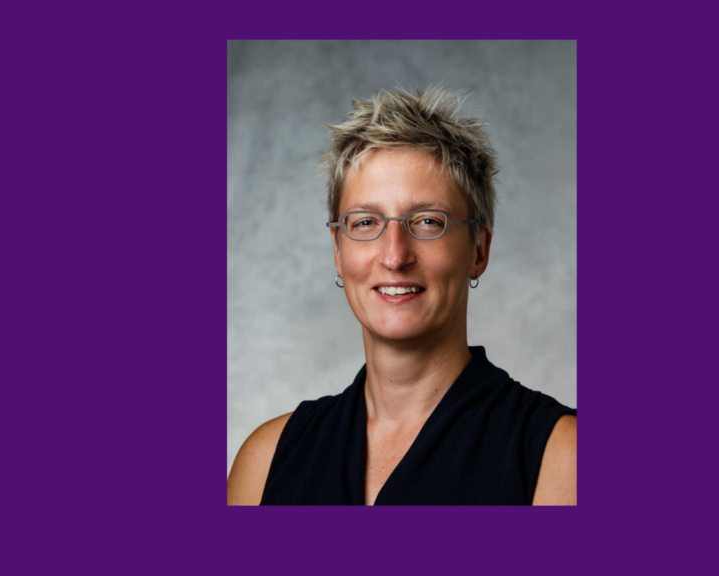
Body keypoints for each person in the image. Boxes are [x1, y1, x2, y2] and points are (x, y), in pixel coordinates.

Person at [227, 87, 576, 505]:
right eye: (365, 222)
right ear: (338, 252)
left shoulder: (561, 456)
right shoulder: (266, 461)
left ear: (478, 250)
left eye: (428, 221)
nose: (394, 256)